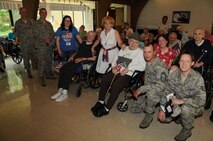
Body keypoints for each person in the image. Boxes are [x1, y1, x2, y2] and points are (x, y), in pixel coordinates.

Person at [91, 32, 146, 117]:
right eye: (131, 41)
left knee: (116, 85)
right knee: (105, 79)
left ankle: (107, 108)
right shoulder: (124, 48)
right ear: (129, 41)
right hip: (117, 70)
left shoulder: (141, 52)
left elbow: (142, 66)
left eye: (136, 42)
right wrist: (113, 67)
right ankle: (101, 101)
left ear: (139, 44)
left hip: (128, 74)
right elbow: (115, 59)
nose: (133, 43)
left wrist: (128, 69)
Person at [158, 51, 206, 141]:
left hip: (194, 105)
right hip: (177, 100)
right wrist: (163, 109)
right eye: (182, 61)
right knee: (164, 118)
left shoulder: (197, 78)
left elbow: (201, 100)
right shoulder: (174, 75)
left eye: (187, 61)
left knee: (185, 108)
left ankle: (187, 129)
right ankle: (180, 116)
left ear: (192, 63)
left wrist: (183, 101)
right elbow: (166, 92)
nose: (184, 64)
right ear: (179, 62)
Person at [51, 31, 96, 102]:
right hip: (75, 60)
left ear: (94, 37)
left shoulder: (94, 46)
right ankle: (60, 90)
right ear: (86, 36)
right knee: (62, 68)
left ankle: (65, 93)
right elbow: (77, 51)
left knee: (68, 71)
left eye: (92, 36)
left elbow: (94, 58)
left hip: (83, 63)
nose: (90, 37)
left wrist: (83, 58)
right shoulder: (83, 43)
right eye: (89, 35)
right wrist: (72, 56)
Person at [133, 43, 168, 128]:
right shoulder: (148, 60)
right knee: (134, 109)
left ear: (155, 51)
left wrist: (141, 89)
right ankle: (147, 102)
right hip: (148, 86)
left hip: (160, 91)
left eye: (149, 52)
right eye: (144, 52)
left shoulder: (160, 66)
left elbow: (160, 86)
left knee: (151, 95)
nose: (146, 55)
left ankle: (149, 114)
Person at [34, 8, 55, 86]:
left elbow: (52, 33)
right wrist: (45, 38)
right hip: (40, 46)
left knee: (48, 61)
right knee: (41, 62)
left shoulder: (49, 24)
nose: (44, 14)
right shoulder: (36, 24)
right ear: (39, 13)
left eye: (45, 13)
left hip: (49, 46)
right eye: (42, 12)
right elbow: (35, 34)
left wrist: (51, 40)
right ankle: (41, 77)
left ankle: (48, 74)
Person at [14, 7, 36, 78]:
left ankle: (41, 71)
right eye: (22, 12)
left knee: (37, 57)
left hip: (33, 43)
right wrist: (17, 41)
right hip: (24, 44)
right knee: (26, 59)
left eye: (25, 12)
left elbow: (36, 31)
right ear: (20, 13)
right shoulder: (17, 23)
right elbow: (16, 33)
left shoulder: (32, 21)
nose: (24, 13)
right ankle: (28, 71)